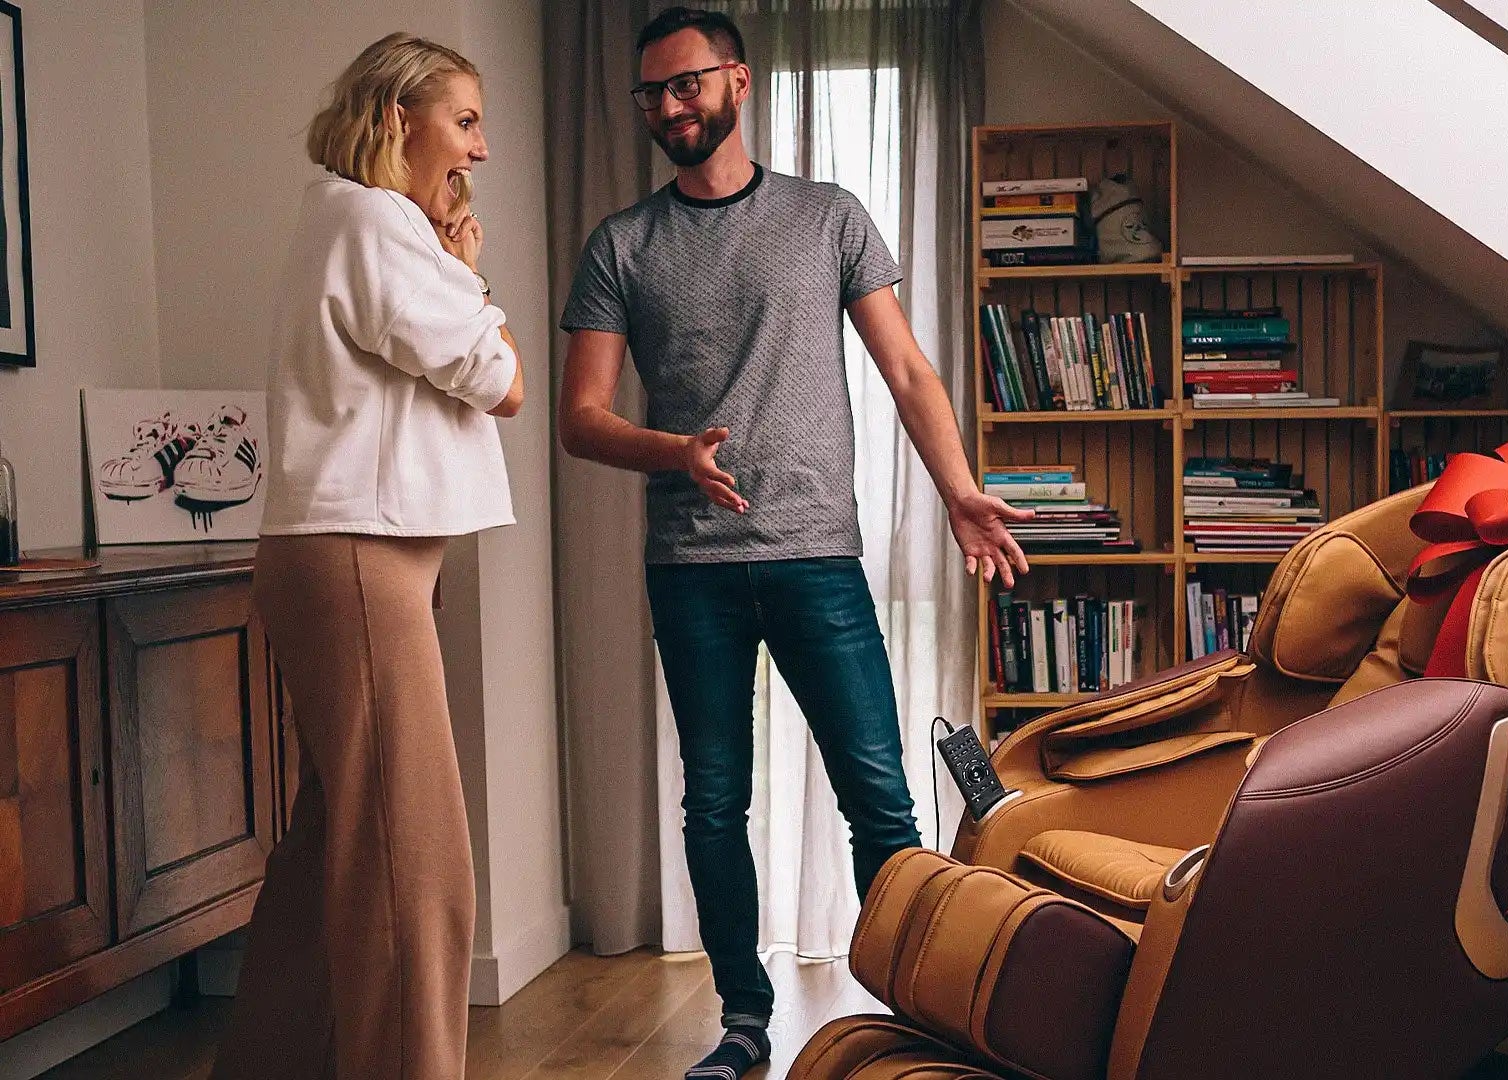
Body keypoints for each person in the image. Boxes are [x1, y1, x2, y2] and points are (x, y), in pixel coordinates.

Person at [557, 7, 1031, 1078]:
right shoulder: (621, 246)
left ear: (738, 81)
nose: (667, 108)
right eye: (650, 94)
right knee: (714, 801)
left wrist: (957, 492)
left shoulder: (829, 217)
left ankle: (922, 1009)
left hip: (819, 555)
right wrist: (676, 453)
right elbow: (581, 419)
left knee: (881, 796)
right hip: (691, 571)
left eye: (684, 85)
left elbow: (908, 369)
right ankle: (743, 1024)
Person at [213, 32, 524, 1080]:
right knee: (413, 864)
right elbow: (501, 378)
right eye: (466, 120)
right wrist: (468, 279)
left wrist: (449, 268)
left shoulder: (353, 222)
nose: (478, 150)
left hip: (345, 556)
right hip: (358, 562)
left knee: (336, 849)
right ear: (399, 120)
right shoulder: (374, 216)